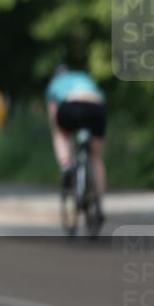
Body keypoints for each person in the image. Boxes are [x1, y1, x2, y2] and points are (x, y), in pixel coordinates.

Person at [45, 64, 107, 223]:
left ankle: (66, 165)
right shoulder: (83, 77)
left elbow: (54, 117)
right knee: (96, 158)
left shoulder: (54, 84)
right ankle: (99, 203)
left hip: (70, 106)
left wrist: (64, 137)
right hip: (96, 107)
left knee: (60, 133)